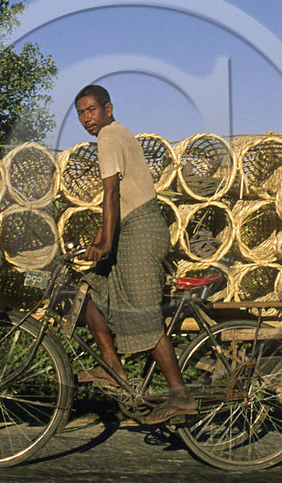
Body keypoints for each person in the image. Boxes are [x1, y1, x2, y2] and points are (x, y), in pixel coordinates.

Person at [72, 84, 196, 424]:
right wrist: (100, 240)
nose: (86, 118)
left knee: (143, 316)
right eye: (81, 112)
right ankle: (112, 366)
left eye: (91, 110)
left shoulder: (109, 136)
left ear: (108, 109)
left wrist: (107, 242)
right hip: (130, 231)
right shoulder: (116, 134)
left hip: (140, 234)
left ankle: (180, 395)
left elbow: (112, 192)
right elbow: (113, 201)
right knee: (91, 290)